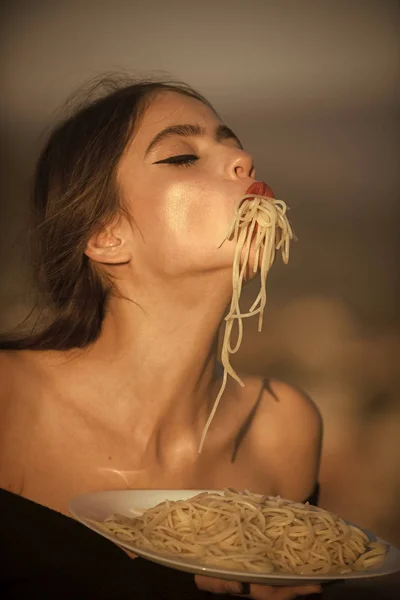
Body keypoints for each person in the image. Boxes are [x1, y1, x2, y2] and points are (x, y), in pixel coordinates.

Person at [0, 77, 323, 599]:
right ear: (106, 235)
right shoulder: (7, 402)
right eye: (181, 157)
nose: (243, 159)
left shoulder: (282, 426)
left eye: (231, 141)